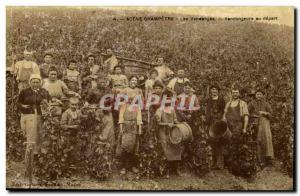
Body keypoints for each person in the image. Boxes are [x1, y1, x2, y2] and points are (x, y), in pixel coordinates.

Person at [18, 74, 51, 161]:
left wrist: (47, 106)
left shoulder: (44, 91)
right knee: (30, 135)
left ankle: (37, 154)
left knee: (39, 134)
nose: (35, 84)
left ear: (40, 83)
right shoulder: (24, 92)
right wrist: (23, 106)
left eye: (37, 82)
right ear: (30, 82)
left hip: (40, 115)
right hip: (28, 115)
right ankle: (29, 155)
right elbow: (18, 103)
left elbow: (49, 101)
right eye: (33, 82)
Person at [116, 76, 143, 175]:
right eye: (132, 80)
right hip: (126, 127)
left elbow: (139, 118)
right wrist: (121, 128)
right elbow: (121, 118)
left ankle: (132, 166)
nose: (131, 100)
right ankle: (123, 167)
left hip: (134, 127)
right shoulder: (124, 106)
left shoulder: (137, 107)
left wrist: (139, 128)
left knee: (134, 147)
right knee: (124, 146)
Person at [155, 88, 182, 177]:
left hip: (172, 132)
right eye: (165, 98)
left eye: (169, 98)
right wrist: (167, 124)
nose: (167, 100)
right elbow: (158, 123)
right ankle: (167, 170)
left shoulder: (172, 109)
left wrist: (180, 124)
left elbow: (175, 120)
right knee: (166, 149)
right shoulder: (159, 110)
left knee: (176, 147)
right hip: (163, 132)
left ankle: (176, 169)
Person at [248, 89, 274, 166]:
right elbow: (247, 112)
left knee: (265, 139)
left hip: (264, 124)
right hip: (254, 122)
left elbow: (271, 114)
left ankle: (266, 158)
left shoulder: (266, 104)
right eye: (257, 94)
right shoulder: (251, 103)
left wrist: (264, 113)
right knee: (256, 139)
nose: (258, 96)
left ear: (263, 95)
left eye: (260, 94)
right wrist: (252, 116)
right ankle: (257, 158)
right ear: (255, 95)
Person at [205, 84, 226, 169]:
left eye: (215, 89)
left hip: (219, 123)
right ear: (210, 91)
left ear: (218, 91)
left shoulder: (221, 100)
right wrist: (207, 121)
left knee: (219, 143)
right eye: (212, 89)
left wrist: (221, 119)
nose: (214, 91)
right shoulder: (208, 100)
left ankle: (220, 164)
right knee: (212, 143)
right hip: (211, 123)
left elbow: (224, 111)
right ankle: (214, 163)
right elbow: (207, 111)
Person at [60, 97, 82, 164]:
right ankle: (66, 163)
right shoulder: (66, 113)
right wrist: (72, 127)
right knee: (67, 148)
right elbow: (62, 125)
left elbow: (81, 121)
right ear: (69, 104)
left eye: (76, 105)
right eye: (72, 104)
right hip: (67, 134)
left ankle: (74, 162)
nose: (74, 106)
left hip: (76, 134)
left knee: (76, 148)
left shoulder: (78, 112)